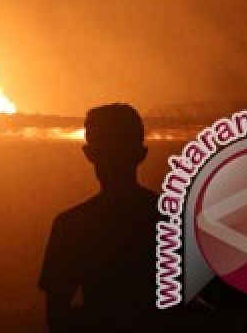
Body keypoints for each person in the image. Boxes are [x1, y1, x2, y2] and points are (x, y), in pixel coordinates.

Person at [39, 103, 160, 332]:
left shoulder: (71, 226)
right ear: (141, 154)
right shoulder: (171, 220)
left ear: (89, 154)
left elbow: (56, 312)